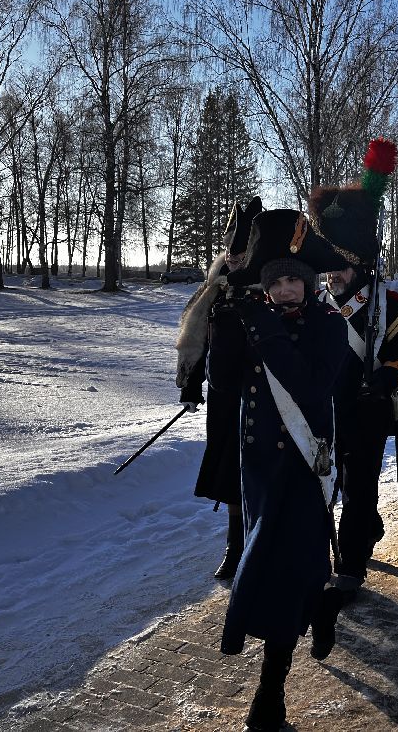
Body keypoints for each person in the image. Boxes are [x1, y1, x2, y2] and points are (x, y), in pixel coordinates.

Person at [209, 209, 350, 731]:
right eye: (277, 281)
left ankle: (270, 695)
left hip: (303, 469)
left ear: (309, 284)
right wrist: (224, 329)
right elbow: (223, 387)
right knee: (274, 570)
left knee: (281, 575)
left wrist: (265, 333)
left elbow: (311, 389)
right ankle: (321, 601)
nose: (287, 289)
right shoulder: (254, 320)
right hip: (259, 472)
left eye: (294, 280)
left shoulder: (329, 326)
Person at [310, 139, 398, 605]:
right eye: (330, 269)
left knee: (358, 490)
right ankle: (358, 533)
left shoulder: (389, 302)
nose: (333, 276)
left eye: (342, 268)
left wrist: (388, 378)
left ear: (361, 266)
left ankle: (350, 566)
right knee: (330, 489)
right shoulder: (315, 307)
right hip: (325, 414)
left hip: (368, 412)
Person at [176, 196, 263, 578]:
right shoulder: (211, 295)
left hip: (263, 399)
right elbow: (197, 344)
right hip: (223, 399)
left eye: (243, 254)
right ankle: (235, 543)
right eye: (231, 251)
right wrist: (191, 387)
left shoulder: (269, 293)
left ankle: (263, 540)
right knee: (229, 470)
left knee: (260, 469)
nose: (235, 259)